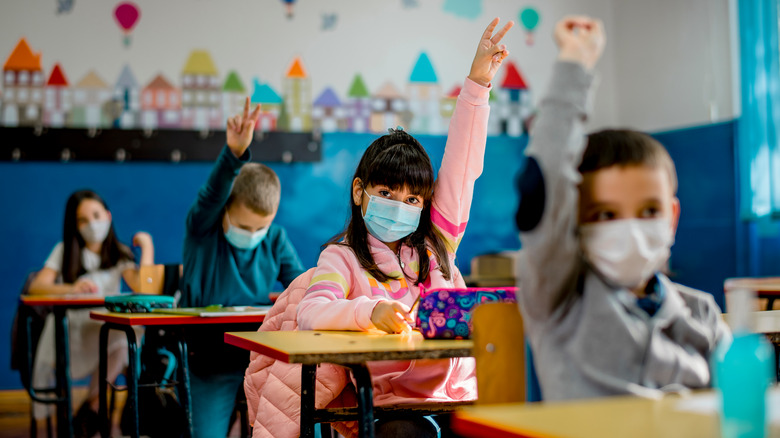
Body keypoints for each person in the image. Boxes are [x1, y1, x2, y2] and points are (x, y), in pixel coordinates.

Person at [291, 17, 513, 437]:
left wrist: (478, 84)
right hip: (391, 408)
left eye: (413, 199)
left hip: (461, 397)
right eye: (387, 192)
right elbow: (310, 312)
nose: (400, 206)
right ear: (360, 192)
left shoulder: (437, 242)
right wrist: (369, 311)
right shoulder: (341, 258)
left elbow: (463, 167)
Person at [514, 16, 731, 402]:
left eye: (649, 211)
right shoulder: (560, 298)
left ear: (673, 218)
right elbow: (544, 182)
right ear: (572, 222)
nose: (630, 227)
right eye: (605, 215)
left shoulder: (702, 315)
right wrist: (575, 64)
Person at [180, 98, 305, 438]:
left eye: (260, 228)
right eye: (244, 225)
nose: (253, 235)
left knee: (299, 423)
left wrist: (294, 298)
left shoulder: (275, 238)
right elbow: (211, 194)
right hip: (209, 360)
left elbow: (303, 285)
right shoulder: (202, 229)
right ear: (225, 210)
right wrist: (233, 154)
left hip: (263, 357)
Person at [28, 189, 154, 437]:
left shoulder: (119, 253)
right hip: (71, 331)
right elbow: (36, 286)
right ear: (74, 225)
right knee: (119, 338)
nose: (92, 224)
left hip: (104, 330)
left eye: (96, 215)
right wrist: (71, 287)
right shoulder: (64, 250)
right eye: (83, 220)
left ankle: (91, 408)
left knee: (124, 338)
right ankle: (92, 411)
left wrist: (147, 247)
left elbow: (144, 288)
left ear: (108, 216)